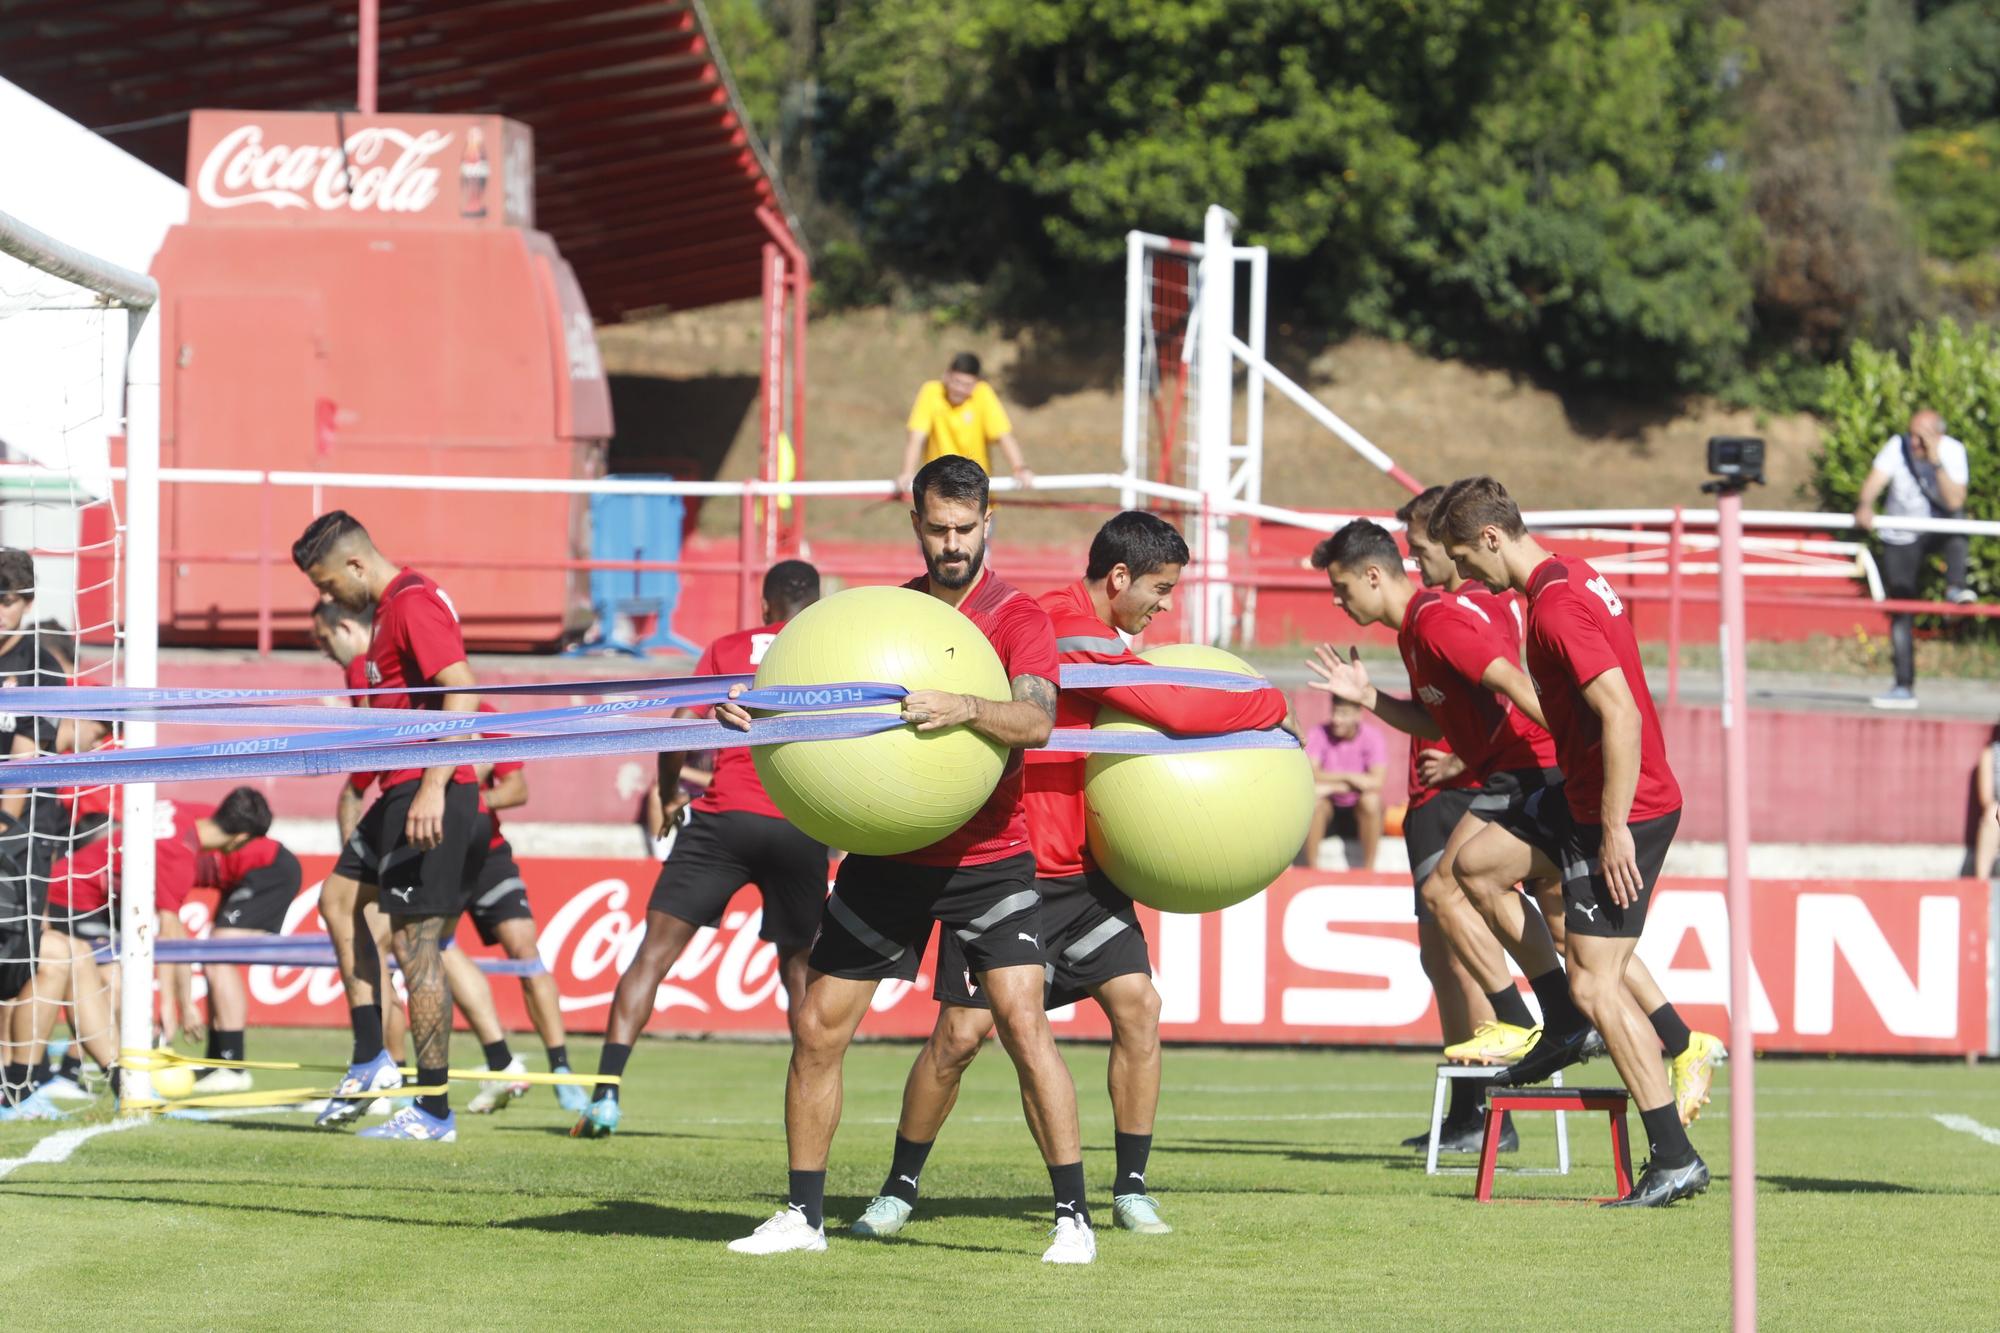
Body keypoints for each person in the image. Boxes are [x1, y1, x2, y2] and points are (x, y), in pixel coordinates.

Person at [848, 511, 1289, 1241]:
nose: (1164, 605)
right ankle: (898, 1189)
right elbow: (1176, 703)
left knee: (1138, 1006)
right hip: (1006, 869)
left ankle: (1132, 1188)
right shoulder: (1060, 624)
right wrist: (1268, 706)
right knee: (958, 1038)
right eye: (1160, 588)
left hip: (1084, 879)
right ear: (1118, 577)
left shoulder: (1100, 634)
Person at [723, 455, 1091, 1263]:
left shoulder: (1018, 615)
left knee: (1025, 1029)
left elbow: (1036, 722)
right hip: (891, 852)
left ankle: (1073, 1216)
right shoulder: (888, 613)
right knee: (817, 1027)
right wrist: (760, 707)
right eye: (937, 527)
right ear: (916, 523)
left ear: (989, 521)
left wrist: (964, 705)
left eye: (965, 528)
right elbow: (834, 703)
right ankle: (802, 1216)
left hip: (990, 857)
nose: (951, 543)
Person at [1432, 476, 1709, 1207]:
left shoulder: (1554, 605)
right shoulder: (1568, 574)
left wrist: (1613, 826)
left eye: (1465, 558)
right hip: (1583, 799)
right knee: (1475, 865)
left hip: (1626, 810)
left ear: (1492, 538)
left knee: (1599, 981)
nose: (1466, 576)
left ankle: (1674, 1155)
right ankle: (1560, 1021)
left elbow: (1621, 713)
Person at [573, 560, 829, 1139]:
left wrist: (667, 797)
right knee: (799, 975)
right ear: (814, 607)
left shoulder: (727, 647)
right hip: (798, 824)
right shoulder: (829, 653)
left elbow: (681, 727)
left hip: (722, 820)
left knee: (653, 955)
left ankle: (605, 1096)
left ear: (766, 607)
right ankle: (813, 1101)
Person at [293, 511, 481, 1142]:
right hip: (397, 791)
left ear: (354, 564)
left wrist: (433, 784)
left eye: (325, 586)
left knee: (416, 944)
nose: (326, 600)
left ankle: (433, 1112)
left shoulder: (412, 603)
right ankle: (372, 1055)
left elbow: (462, 690)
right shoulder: (385, 616)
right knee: (337, 899)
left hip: (428, 792)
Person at [308, 599, 529, 1115]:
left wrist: (434, 787)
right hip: (415, 803)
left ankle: (409, 1086)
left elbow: (506, 770)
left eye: (322, 638)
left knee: (408, 943)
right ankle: (490, 1062)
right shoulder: (364, 673)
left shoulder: (406, 622)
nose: (321, 649)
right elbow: (355, 783)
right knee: (361, 914)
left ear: (346, 625)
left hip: (434, 803)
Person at [3, 789, 272, 1121]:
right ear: (241, 838)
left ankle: (120, 1082)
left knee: (91, 967)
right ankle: (59, 1077)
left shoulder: (177, 810)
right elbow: (173, 938)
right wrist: (177, 1007)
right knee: (107, 982)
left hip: (75, 895)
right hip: (71, 899)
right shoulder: (178, 857)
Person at [457, 701, 587, 1116]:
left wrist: (469, 803)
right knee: (422, 954)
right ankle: (494, 1064)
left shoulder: (483, 712)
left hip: (486, 856)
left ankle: (561, 1070)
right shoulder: (403, 706)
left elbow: (516, 789)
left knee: (526, 955)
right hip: (429, 851)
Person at [1853, 408, 1973, 709]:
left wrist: (1935, 462)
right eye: (1913, 435)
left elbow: (1955, 500)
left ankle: (1956, 588)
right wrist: (1865, 505)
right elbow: (1874, 482)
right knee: (1901, 607)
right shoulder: (1897, 446)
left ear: (1939, 435)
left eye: (1923, 437)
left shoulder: (1953, 451)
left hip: (1935, 529)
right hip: (1900, 534)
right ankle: (1903, 686)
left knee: (1959, 522)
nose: (1915, 443)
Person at [185, 827, 305, 1096]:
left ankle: (233, 1066)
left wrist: (181, 1001)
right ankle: (217, 1062)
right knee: (214, 956)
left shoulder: (161, 857)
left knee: (218, 955)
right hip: (242, 876)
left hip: (269, 869)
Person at [896, 352, 1034, 497]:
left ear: (976, 383)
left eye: (967, 385)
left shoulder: (983, 394)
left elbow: (1004, 436)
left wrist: (1020, 468)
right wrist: (907, 472)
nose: (960, 389)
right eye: (957, 382)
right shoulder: (931, 392)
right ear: (946, 376)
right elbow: (916, 437)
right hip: (939, 492)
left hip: (975, 493)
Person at [1299, 699, 1386, 870]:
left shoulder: (1373, 737)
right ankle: (1311, 869)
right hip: (1329, 811)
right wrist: (1351, 778)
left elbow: (1376, 782)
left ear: (1358, 715)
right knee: (1315, 802)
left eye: (1343, 714)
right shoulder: (1319, 733)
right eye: (1334, 712)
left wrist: (1330, 784)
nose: (1336, 719)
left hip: (1357, 813)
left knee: (1371, 801)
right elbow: (1311, 775)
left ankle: (1369, 870)